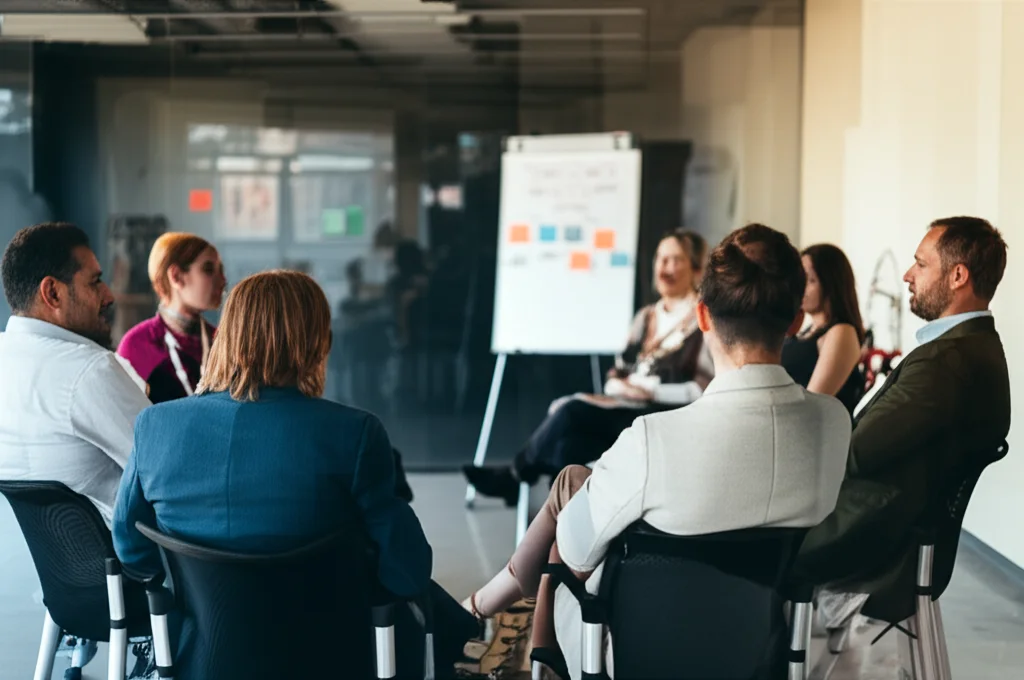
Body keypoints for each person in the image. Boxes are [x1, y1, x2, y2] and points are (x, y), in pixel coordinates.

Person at [463, 224, 852, 680]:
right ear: (792, 322)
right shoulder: (833, 424)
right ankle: (484, 607)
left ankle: (493, 621)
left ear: (703, 316)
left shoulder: (653, 439)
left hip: (636, 650)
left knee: (572, 509)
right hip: (764, 648)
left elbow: (573, 549)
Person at [111, 270, 476, 678]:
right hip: (335, 658)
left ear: (228, 334)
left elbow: (131, 547)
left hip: (202, 658)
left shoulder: (156, 427)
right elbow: (406, 570)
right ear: (315, 341)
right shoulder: (352, 433)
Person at [797, 216, 1011, 626]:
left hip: (875, 543)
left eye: (921, 264)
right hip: (897, 532)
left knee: (740, 543)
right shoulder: (970, 347)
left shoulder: (946, 362)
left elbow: (853, 456)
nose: (908, 275)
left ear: (957, 276)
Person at [464, 230, 715, 505]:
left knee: (572, 410)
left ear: (695, 268)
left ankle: (516, 477)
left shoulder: (702, 320)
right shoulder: (646, 317)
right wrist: (620, 387)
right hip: (623, 409)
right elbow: (616, 372)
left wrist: (650, 391)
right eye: (661, 259)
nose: (665, 268)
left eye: (675, 260)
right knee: (566, 447)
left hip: (661, 417)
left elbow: (702, 389)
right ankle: (563, 527)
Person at [0, 223, 151, 523]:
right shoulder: (91, 370)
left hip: (19, 568)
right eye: (95, 282)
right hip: (121, 567)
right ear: (53, 293)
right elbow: (170, 473)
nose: (109, 296)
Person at [117, 232, 226, 403]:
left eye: (221, 270)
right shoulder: (136, 345)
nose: (223, 280)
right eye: (209, 269)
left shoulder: (222, 342)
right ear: (176, 276)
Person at [781, 244, 866, 414]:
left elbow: (813, 401)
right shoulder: (805, 332)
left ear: (831, 283)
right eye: (800, 280)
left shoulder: (841, 331)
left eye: (810, 280)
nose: (801, 288)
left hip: (813, 431)